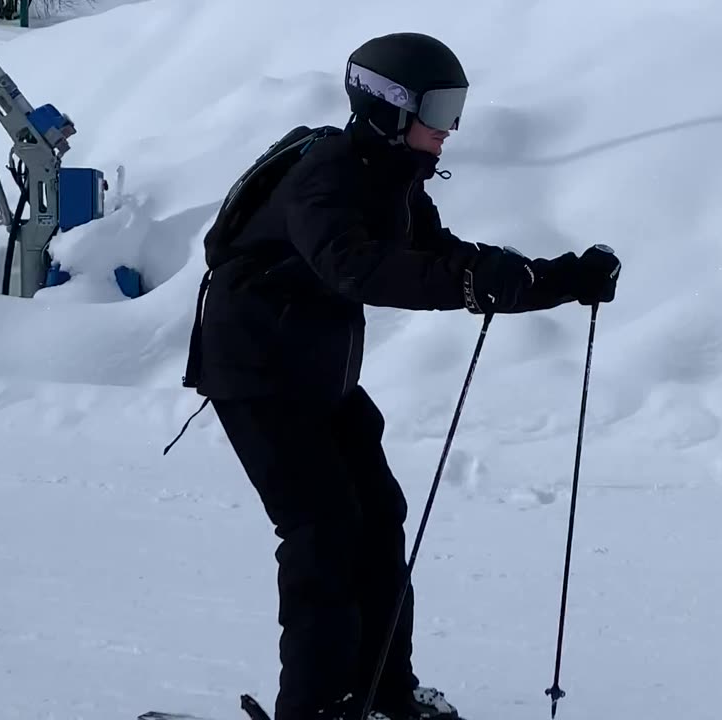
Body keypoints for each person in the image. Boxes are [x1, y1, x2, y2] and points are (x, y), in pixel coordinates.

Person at [185, 32, 621, 720]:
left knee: (378, 518)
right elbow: (356, 266)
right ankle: (318, 706)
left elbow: (444, 257)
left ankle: (384, 691)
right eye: (439, 110)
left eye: (456, 109)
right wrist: (473, 281)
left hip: (321, 373)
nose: (450, 129)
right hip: (257, 374)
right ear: (389, 105)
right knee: (323, 531)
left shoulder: (390, 178)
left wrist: (563, 279)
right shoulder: (325, 177)